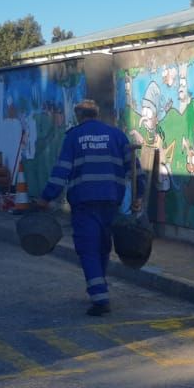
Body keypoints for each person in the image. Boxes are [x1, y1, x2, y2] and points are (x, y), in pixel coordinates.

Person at [35, 99, 139, 316]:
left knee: (88, 249)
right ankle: (99, 288)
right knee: (102, 247)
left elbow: (62, 170)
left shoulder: (74, 137)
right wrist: (139, 196)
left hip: (85, 203)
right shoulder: (117, 135)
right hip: (112, 201)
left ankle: (100, 298)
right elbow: (134, 167)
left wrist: (46, 197)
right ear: (96, 114)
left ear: (79, 116)